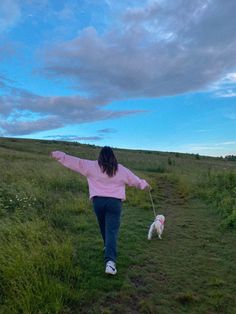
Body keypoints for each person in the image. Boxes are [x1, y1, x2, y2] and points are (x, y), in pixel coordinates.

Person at [51, 146, 149, 275]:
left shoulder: (91, 166)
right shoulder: (120, 169)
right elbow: (134, 180)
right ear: (113, 156)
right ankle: (110, 263)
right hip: (114, 203)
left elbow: (76, 162)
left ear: (100, 156)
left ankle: (107, 250)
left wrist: (60, 155)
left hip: (98, 202)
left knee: (103, 227)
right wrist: (144, 184)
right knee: (111, 231)